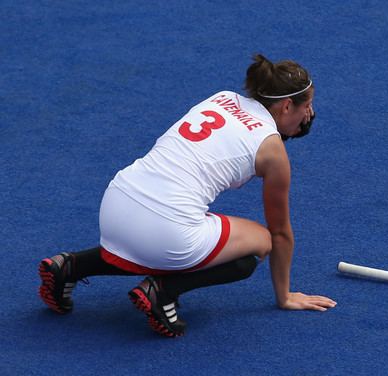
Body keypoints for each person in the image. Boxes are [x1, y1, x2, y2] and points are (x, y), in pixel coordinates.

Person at [38, 54, 337, 337]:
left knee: (163, 232)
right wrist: (284, 296)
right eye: (306, 106)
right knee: (257, 245)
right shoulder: (274, 153)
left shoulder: (222, 98)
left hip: (116, 204)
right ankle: (163, 291)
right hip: (166, 231)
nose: (309, 114)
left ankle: (71, 265)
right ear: (286, 106)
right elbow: (281, 233)